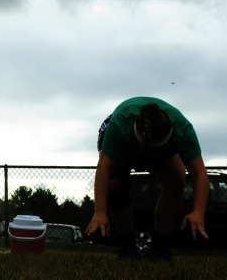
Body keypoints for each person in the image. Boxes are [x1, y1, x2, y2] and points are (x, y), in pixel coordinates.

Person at [86, 97, 208, 261]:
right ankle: (128, 247)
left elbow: (199, 173)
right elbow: (104, 168)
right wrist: (100, 212)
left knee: (177, 178)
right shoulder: (119, 125)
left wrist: (198, 212)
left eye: (155, 151)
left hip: (154, 145)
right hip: (123, 139)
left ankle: (160, 247)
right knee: (115, 183)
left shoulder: (183, 130)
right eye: (147, 151)